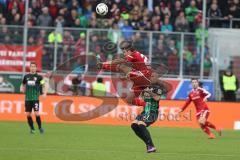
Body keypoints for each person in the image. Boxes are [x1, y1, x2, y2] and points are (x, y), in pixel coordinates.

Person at [98, 40, 172, 105]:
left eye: (124, 52)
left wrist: (104, 63)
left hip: (145, 76)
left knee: (122, 66)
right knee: (128, 100)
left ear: (129, 51)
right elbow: (137, 69)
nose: (124, 54)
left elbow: (119, 61)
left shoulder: (134, 54)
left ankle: (102, 66)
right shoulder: (136, 56)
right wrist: (127, 76)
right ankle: (147, 104)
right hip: (143, 78)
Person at [131, 86, 162, 153]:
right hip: (144, 112)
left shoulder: (157, 89)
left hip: (152, 112)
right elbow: (141, 99)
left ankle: (150, 145)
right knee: (134, 125)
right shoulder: (144, 88)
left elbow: (157, 98)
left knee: (141, 124)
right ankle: (150, 145)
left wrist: (148, 91)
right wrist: (141, 91)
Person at [20, 62, 48, 134]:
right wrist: (21, 88)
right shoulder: (26, 76)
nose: (33, 68)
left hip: (35, 98)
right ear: (30, 67)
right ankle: (32, 129)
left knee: (36, 113)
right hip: (27, 98)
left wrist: (44, 93)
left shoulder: (39, 77)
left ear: (36, 68)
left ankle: (40, 128)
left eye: (34, 66)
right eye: (31, 66)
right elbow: (22, 84)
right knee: (28, 114)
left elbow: (44, 85)